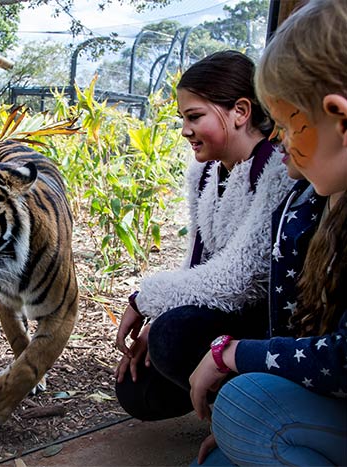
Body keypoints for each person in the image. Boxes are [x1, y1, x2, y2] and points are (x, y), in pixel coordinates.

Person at [189, 0, 347, 464]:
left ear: (340, 119)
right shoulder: (317, 199)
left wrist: (230, 355)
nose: (283, 146)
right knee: (222, 453)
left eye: (286, 126)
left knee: (241, 407)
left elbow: (342, 360)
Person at [114, 50, 295, 420]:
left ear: (241, 112)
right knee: (137, 390)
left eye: (194, 116)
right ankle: (210, 402)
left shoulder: (276, 169)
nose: (184, 130)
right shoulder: (205, 174)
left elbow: (238, 278)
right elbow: (198, 261)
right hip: (218, 314)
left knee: (171, 337)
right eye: (183, 118)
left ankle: (248, 418)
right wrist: (160, 312)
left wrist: (145, 299)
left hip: (263, 322)